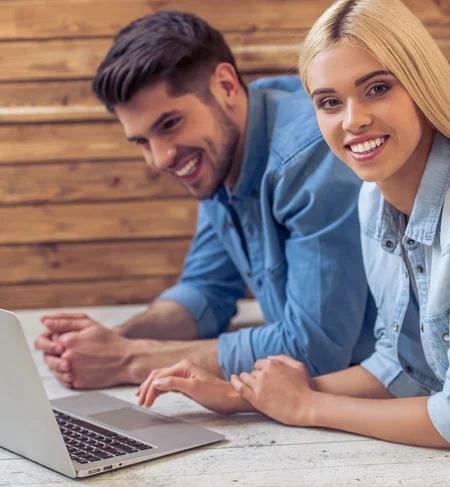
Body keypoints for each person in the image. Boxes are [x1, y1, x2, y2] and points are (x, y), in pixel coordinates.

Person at [136, 0, 450, 453]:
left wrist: (309, 407)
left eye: (377, 88)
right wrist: (244, 395)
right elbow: (403, 369)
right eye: (330, 102)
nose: (353, 120)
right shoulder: (372, 198)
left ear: (422, 84)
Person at [34, 10, 377, 390]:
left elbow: (316, 349)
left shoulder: (309, 156)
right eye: (143, 141)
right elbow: (207, 290)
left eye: (170, 124)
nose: (160, 158)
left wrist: (130, 360)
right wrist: (111, 340)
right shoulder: (221, 152)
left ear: (226, 86)